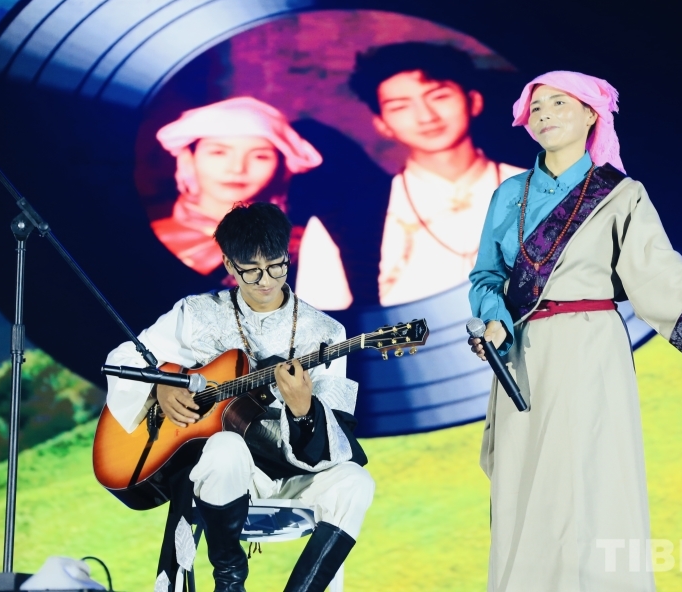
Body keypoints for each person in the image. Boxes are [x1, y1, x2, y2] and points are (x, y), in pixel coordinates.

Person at [467, 71, 682, 591]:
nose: (544, 113)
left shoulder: (620, 195)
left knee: (591, 477)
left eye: (559, 102)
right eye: (536, 107)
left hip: (589, 347)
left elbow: (656, 271)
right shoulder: (508, 194)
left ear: (591, 114)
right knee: (523, 481)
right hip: (521, 354)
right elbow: (486, 276)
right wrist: (494, 317)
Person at [106, 203, 374, 592]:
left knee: (356, 482)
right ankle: (229, 583)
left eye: (277, 266)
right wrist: (161, 385)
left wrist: (303, 409)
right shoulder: (197, 314)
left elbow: (337, 435)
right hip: (228, 475)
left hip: (297, 472)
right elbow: (124, 360)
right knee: (225, 446)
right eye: (251, 270)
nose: (266, 281)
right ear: (230, 265)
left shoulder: (326, 333)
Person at [294, 42, 524, 308]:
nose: (426, 116)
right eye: (400, 107)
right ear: (382, 124)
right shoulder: (339, 222)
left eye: (439, 97)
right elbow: (322, 328)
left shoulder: (549, 192)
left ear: (474, 101)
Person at [152, 97, 347, 297]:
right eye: (218, 152)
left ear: (281, 166)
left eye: (260, 156)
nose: (237, 168)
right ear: (188, 159)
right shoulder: (150, 237)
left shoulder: (303, 245)